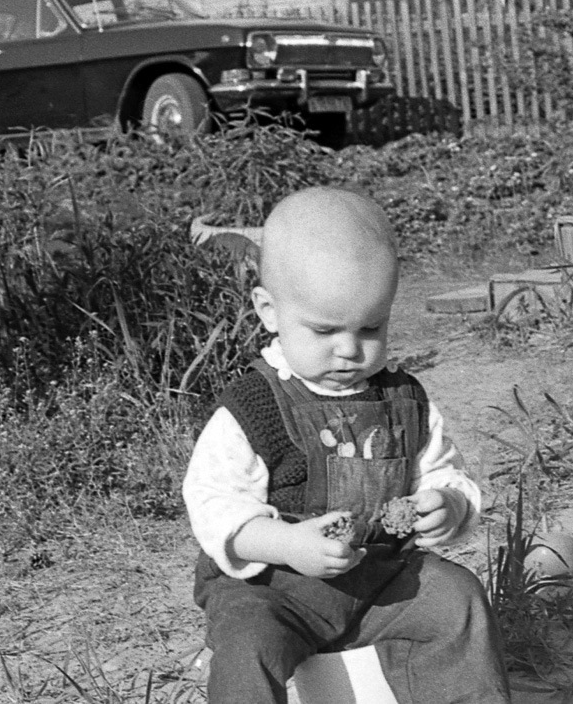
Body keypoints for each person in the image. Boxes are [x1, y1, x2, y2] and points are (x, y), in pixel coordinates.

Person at [182, 187, 511, 704]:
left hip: (378, 583)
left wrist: (447, 504)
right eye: (324, 329)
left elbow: (444, 472)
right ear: (269, 310)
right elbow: (215, 507)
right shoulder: (254, 407)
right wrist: (286, 544)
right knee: (248, 640)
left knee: (455, 598)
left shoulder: (405, 399)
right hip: (274, 591)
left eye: (371, 327)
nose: (350, 350)